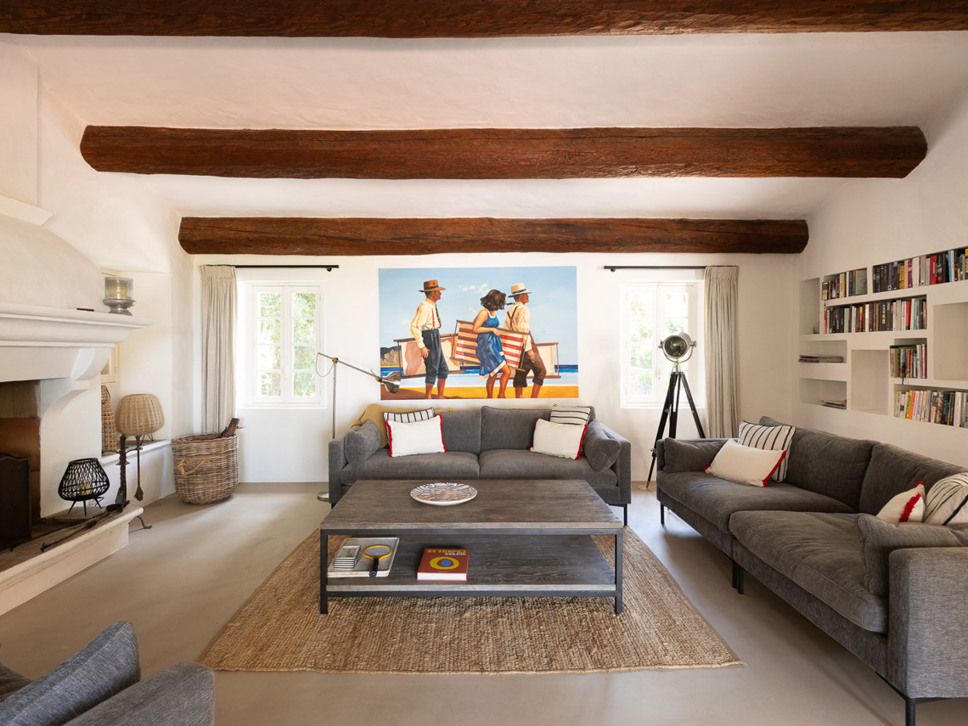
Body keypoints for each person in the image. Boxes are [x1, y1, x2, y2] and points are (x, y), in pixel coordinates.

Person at [506, 282, 547, 399]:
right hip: (525, 342)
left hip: (515, 343)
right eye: (525, 294)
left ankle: (519, 399)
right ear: (520, 296)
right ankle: (533, 399)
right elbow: (524, 330)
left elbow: (506, 329)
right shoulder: (524, 309)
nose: (528, 296)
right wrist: (529, 350)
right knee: (541, 371)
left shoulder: (511, 309)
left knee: (521, 372)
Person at [409, 279, 448, 399]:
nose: (440, 293)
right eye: (438, 291)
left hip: (435, 335)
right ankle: (428, 397)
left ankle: (440, 396)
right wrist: (422, 346)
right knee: (432, 369)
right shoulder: (425, 307)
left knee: (443, 369)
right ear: (432, 293)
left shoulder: (431, 305)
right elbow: (415, 327)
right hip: (429, 337)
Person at [471, 289, 511, 399]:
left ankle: (491, 397)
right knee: (506, 371)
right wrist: (491, 329)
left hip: (493, 345)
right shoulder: (484, 312)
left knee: (493, 373)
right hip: (487, 346)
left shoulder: (491, 312)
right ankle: (501, 396)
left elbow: (475, 323)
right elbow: (475, 328)